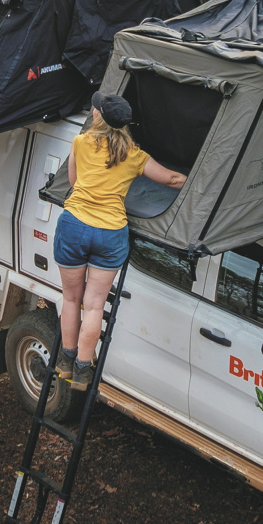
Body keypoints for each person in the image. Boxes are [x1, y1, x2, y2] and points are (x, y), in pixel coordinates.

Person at [53, 92, 186, 389]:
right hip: (111, 232)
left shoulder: (80, 141)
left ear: (98, 116)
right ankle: (83, 371)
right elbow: (171, 179)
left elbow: (74, 183)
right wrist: (205, 186)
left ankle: (65, 361)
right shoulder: (134, 155)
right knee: (95, 306)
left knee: (72, 299)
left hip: (74, 225)